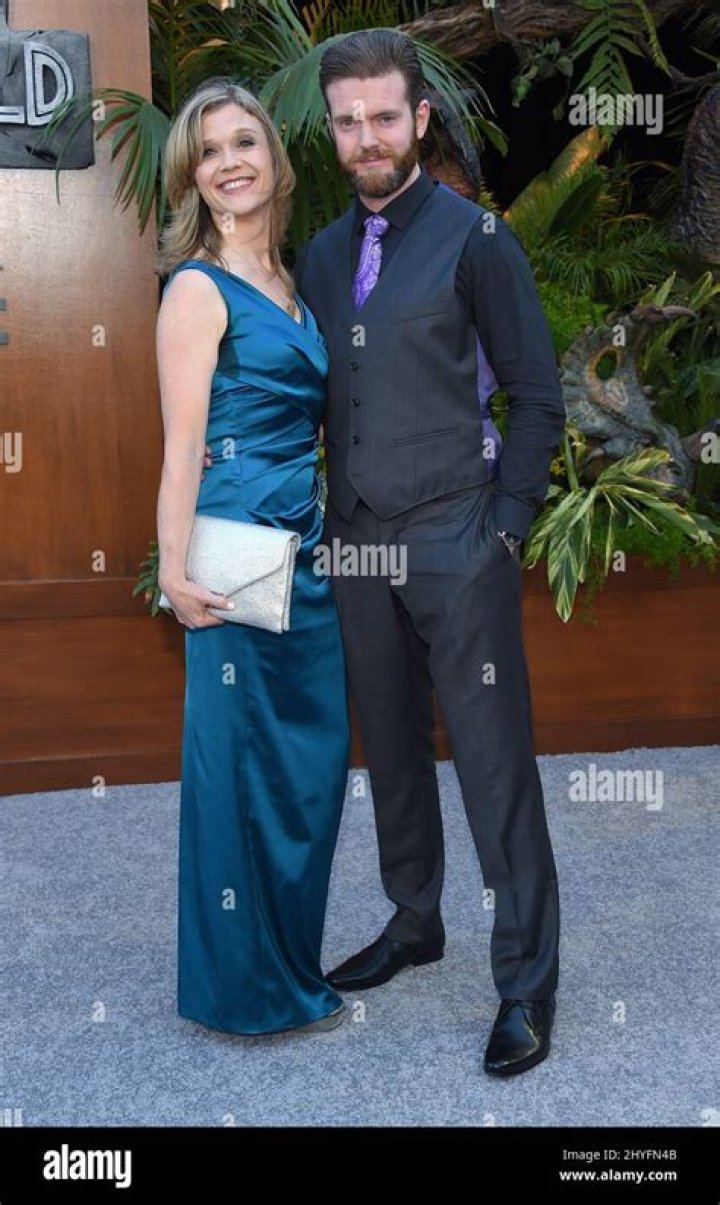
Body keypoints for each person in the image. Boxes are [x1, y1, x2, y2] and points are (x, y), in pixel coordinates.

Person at [295, 30, 565, 1077]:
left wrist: (506, 528)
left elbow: (535, 394)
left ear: (418, 119)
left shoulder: (477, 238)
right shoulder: (322, 255)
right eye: (347, 121)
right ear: (332, 130)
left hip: (458, 536)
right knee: (393, 749)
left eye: (382, 117)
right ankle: (415, 920)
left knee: (493, 764)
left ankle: (527, 981)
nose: (366, 137)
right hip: (358, 543)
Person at [155, 78, 350, 1036]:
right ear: (192, 177)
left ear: (275, 155)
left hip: (305, 549)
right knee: (240, 765)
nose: (230, 162)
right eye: (209, 150)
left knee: (308, 762)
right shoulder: (197, 288)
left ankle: (291, 962)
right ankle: (247, 988)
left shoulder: (295, 289)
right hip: (234, 551)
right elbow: (182, 441)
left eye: (244, 141)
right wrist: (171, 567)